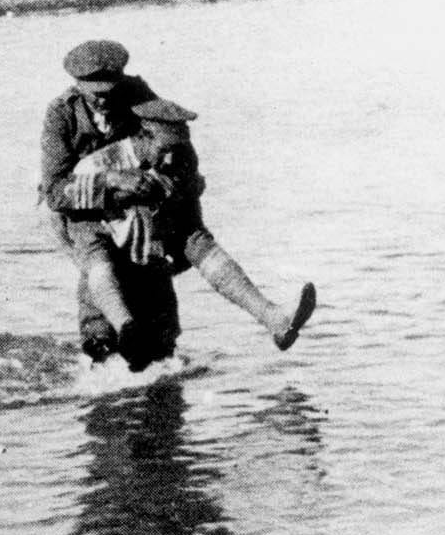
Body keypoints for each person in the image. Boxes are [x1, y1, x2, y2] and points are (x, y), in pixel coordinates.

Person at [76, 97, 316, 351]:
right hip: (105, 264)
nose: (170, 158)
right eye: (164, 148)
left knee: (163, 357)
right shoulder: (97, 167)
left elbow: (192, 230)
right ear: (142, 137)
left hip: (152, 261)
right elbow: (77, 233)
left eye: (177, 149)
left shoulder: (180, 156)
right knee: (103, 350)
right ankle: (118, 331)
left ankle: (273, 317)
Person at [39, 39, 166, 366]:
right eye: (93, 90)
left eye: (110, 89)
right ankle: (101, 341)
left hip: (131, 208)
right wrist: (110, 179)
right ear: (77, 85)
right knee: (96, 264)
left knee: (151, 281)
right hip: (79, 209)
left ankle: (149, 347)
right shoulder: (61, 113)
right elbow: (55, 191)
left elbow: (165, 139)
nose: (102, 97)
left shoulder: (139, 95)